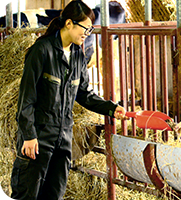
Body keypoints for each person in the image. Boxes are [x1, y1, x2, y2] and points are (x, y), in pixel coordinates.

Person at [10, 1, 127, 199]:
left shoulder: (78, 57)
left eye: (90, 30)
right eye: (85, 28)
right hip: (39, 137)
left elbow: (84, 94)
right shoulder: (42, 51)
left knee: (55, 195)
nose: (87, 34)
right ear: (69, 24)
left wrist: (110, 108)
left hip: (63, 139)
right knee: (26, 195)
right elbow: (26, 98)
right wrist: (29, 136)